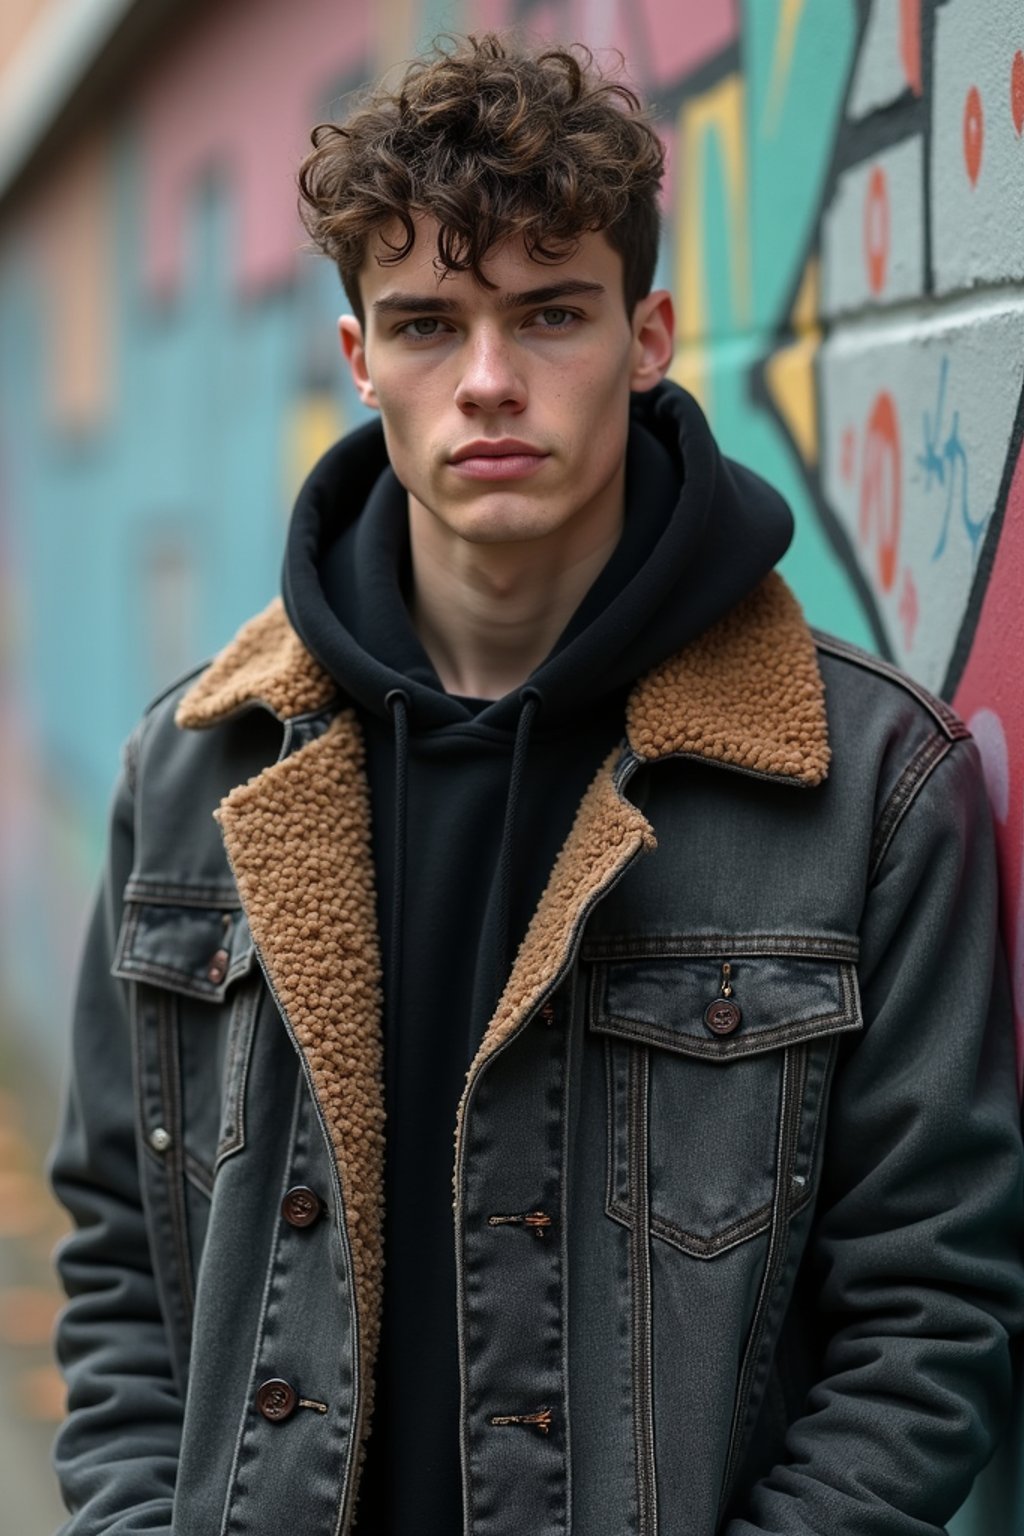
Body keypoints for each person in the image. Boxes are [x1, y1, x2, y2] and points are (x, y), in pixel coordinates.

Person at [49, 33, 1024, 1536]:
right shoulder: (192, 770)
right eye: (429, 325)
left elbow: (929, 1314)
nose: (488, 383)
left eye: (551, 313)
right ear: (360, 356)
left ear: (650, 336)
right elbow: (123, 1261)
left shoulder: (864, 785)